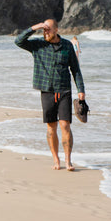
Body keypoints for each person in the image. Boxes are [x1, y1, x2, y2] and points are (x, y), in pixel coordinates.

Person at [15, 19, 86, 171]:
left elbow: (75, 69)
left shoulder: (67, 46)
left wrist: (81, 90)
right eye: (44, 30)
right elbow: (18, 41)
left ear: (56, 30)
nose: (45, 33)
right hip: (46, 90)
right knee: (51, 126)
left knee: (65, 125)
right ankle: (56, 159)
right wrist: (35, 27)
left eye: (48, 30)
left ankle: (68, 161)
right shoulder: (38, 45)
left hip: (64, 90)